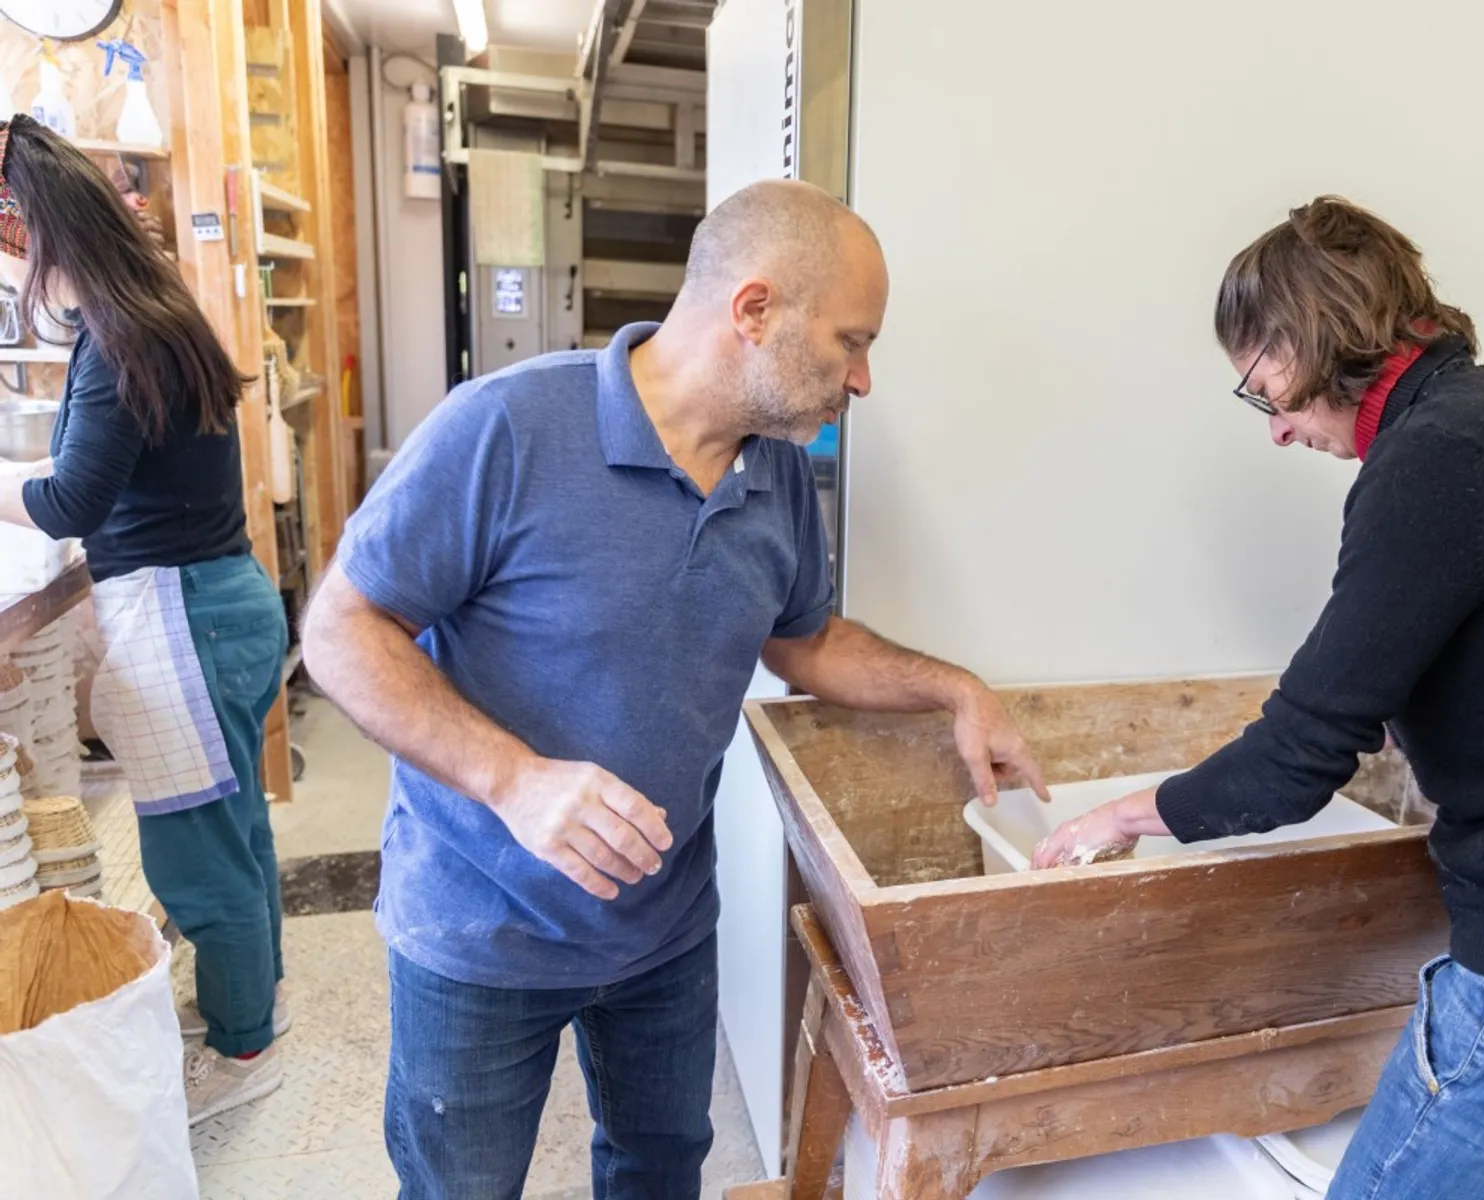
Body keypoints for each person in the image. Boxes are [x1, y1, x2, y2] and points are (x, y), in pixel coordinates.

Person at [301, 179, 1049, 1200]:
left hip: (664, 932)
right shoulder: (506, 428)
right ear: (755, 310)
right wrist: (515, 781)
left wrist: (953, 689)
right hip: (480, 927)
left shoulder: (776, 475)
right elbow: (340, 630)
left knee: (659, 1172)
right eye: (851, 341)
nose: (863, 379)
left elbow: (807, 642)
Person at [1034, 197, 1484, 1200]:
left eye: (1262, 391)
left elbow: (1295, 761)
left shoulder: (1437, 460)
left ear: (1302, 341)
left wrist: (1118, 817)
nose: (1277, 431)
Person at [0, 116, 290, 1123]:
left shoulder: (115, 337)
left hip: (184, 619)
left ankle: (246, 1049)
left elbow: (72, 501)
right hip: (222, 600)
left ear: (33, 235)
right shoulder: (154, 311)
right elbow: (100, 471)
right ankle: (258, 1001)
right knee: (234, 830)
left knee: (195, 858)